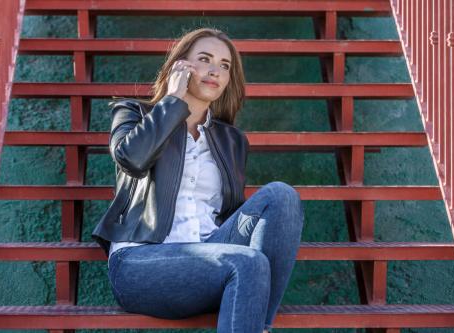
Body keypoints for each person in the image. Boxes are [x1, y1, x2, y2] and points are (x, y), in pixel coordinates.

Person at [92, 27, 304, 333]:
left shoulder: (231, 140)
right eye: (204, 59)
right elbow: (132, 160)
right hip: (141, 262)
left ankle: (258, 325)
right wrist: (173, 99)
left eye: (224, 65)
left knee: (281, 196)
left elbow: (232, 213)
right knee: (247, 262)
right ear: (180, 65)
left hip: (211, 256)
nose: (214, 70)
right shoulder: (133, 114)